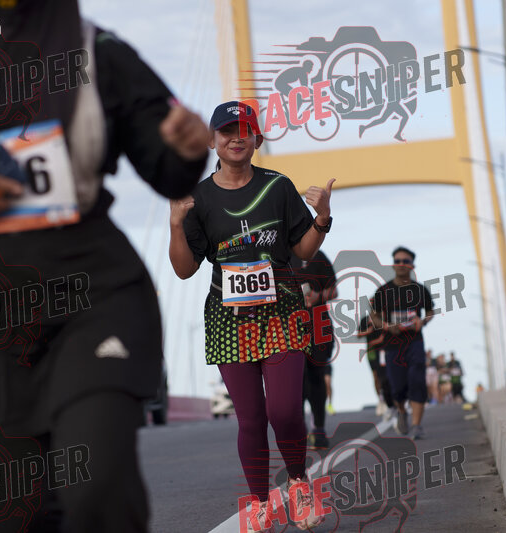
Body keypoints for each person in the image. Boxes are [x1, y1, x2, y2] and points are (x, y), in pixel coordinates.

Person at [0, 2, 210, 531]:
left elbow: (168, 171)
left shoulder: (97, 51)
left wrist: (186, 148)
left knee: (98, 485)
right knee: (12, 516)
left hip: (93, 293)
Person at [168, 101, 335, 532]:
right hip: (228, 318)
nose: (236, 138)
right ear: (212, 141)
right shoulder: (198, 199)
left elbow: (302, 249)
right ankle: (260, 502)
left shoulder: (278, 187)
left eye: (244, 130)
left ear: (257, 139)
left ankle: (298, 483)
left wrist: (322, 218)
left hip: (281, 310)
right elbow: (184, 270)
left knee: (284, 410)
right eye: (226, 131)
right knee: (251, 418)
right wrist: (175, 225)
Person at [371, 246, 435, 440]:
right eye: (397, 261)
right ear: (393, 264)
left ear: (412, 265)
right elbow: (374, 316)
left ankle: (417, 426)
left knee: (417, 381)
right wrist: (387, 326)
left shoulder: (419, 289)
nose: (401, 264)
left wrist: (422, 321)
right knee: (397, 387)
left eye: (405, 261)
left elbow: (430, 311)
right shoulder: (383, 291)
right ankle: (401, 410)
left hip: (414, 343)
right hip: (392, 345)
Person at [290, 250, 337, 449]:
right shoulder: (277, 254)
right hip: (288, 328)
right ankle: (299, 432)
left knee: (317, 376)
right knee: (296, 381)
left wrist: (319, 296)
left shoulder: (317, 255)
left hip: (318, 324)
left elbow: (334, 291)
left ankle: (319, 429)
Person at [358, 307, 393, 418]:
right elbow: (358, 334)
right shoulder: (365, 320)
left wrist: (379, 340)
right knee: (376, 376)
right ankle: (381, 399)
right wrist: (368, 331)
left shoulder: (384, 318)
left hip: (383, 350)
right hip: (372, 352)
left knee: (385, 375)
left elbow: (388, 332)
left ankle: (390, 398)